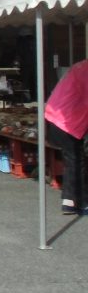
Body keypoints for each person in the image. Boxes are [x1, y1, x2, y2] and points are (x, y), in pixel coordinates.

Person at [44, 59, 88, 216]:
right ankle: (82, 203)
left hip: (57, 117)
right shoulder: (85, 71)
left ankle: (69, 201)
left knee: (73, 160)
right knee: (77, 161)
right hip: (67, 121)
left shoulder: (80, 66)